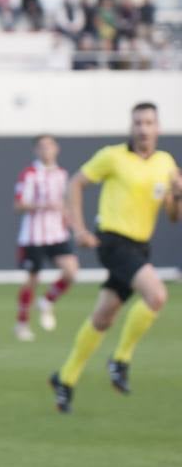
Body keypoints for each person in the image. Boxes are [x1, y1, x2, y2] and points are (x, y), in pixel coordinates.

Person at [49, 103, 181, 413]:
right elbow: (76, 183)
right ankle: (120, 359)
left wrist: (178, 194)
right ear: (131, 127)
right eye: (138, 122)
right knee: (157, 295)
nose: (143, 129)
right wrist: (79, 228)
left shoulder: (165, 163)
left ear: (158, 128)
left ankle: (65, 378)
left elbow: (174, 216)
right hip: (112, 241)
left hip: (139, 247)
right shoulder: (113, 156)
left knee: (104, 316)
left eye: (149, 122)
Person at [13, 135, 77, 341]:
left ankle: (48, 301)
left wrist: (70, 220)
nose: (46, 150)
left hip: (57, 233)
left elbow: (65, 203)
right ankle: (22, 323)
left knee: (71, 272)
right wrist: (42, 205)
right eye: (42, 147)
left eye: (49, 146)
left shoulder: (62, 174)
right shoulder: (29, 174)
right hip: (34, 236)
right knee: (32, 280)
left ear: (56, 148)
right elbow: (18, 205)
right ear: (36, 151)